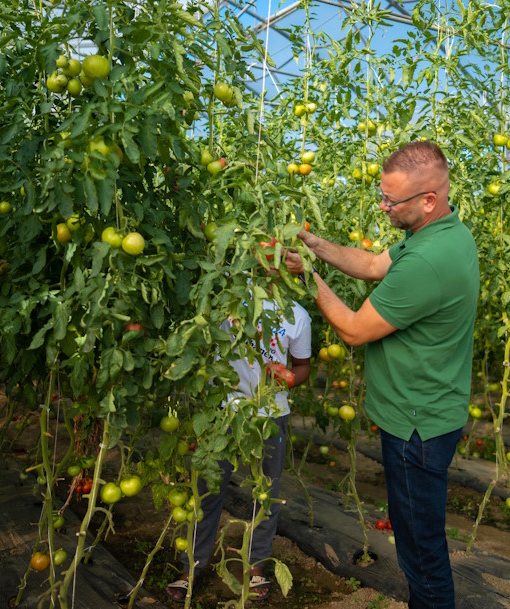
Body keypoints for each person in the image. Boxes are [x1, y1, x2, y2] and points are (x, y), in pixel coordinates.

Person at [284, 141, 479, 609]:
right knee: (417, 534)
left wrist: (309, 275)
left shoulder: (428, 262)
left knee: (420, 550)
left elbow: (352, 330)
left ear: (428, 199)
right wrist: (317, 246)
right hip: (428, 410)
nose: (383, 207)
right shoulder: (443, 235)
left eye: (393, 201)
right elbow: (372, 265)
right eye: (383, 195)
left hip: (418, 425)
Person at [166, 296, 311, 603]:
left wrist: (288, 378)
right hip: (223, 411)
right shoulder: (229, 297)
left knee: (266, 490)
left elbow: (302, 367)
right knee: (207, 488)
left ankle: (257, 564)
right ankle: (191, 566)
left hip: (271, 413)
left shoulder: (297, 315)